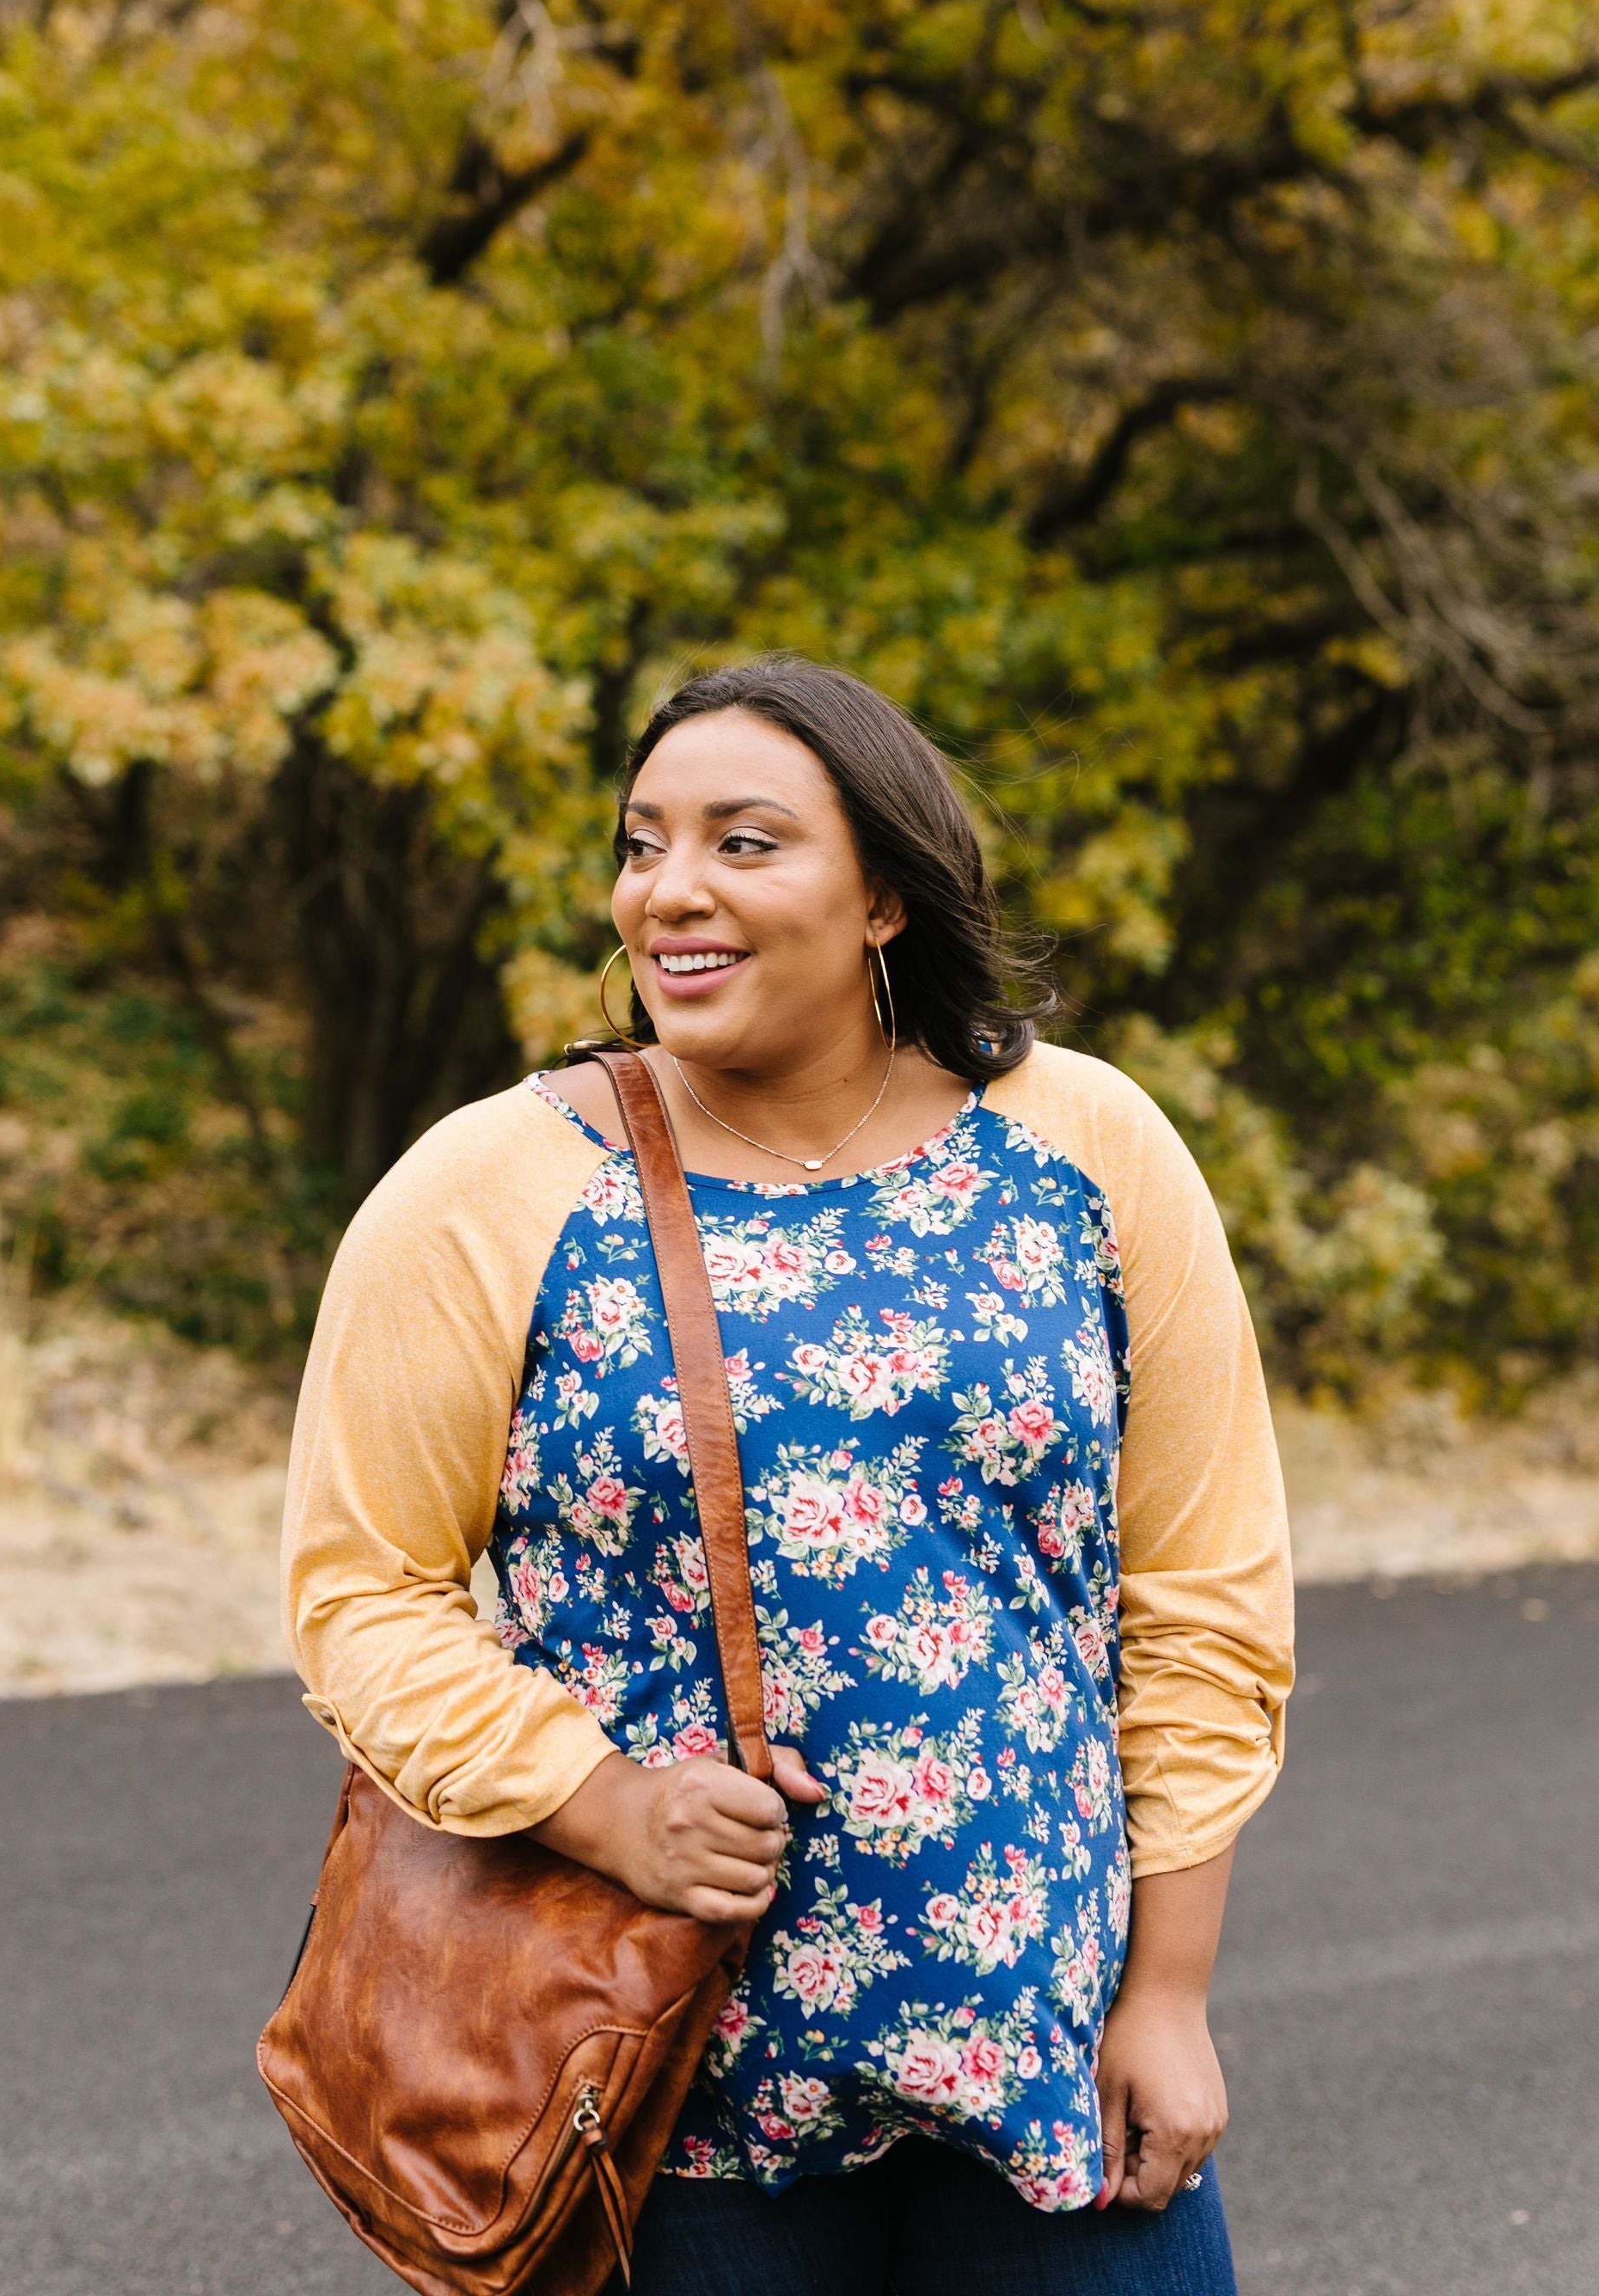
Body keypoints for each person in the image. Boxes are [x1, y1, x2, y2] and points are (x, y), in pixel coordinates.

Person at [283, 654, 1294, 2296]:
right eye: (643, 844)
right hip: (663, 2084)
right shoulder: (493, 1186)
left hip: (1040, 2060)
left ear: (885, 893)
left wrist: (1167, 1995)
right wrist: (605, 1803)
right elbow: (359, 1596)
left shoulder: (1085, 1147)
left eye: (743, 842)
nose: (669, 889)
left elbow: (1203, 1604)